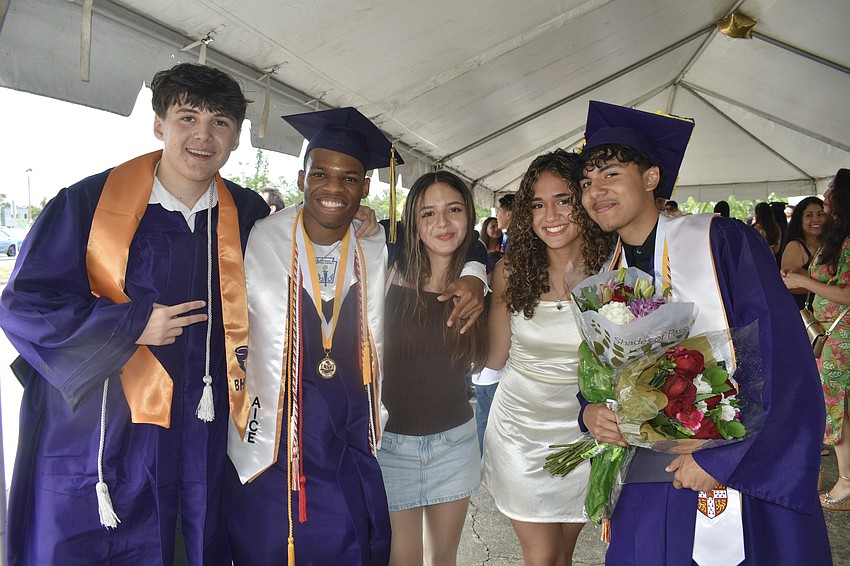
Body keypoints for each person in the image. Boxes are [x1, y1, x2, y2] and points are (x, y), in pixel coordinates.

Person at [0, 63, 271, 565]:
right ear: (159, 124)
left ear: (235, 138)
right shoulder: (86, 204)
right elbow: (25, 305)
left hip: (201, 427)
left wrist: (356, 224)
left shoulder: (249, 214)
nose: (202, 136)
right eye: (187, 117)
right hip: (105, 432)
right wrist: (128, 325)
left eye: (220, 124)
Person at [224, 107, 485, 566]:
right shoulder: (259, 238)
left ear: (365, 188)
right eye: (321, 174)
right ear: (302, 176)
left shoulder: (375, 246)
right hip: (279, 430)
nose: (332, 187)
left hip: (353, 433)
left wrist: (476, 272)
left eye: (349, 178)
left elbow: (453, 241)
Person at [575, 100, 831, 565]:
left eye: (610, 174)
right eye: (587, 182)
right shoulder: (604, 276)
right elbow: (596, 373)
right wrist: (590, 413)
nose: (595, 192)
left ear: (651, 177)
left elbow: (780, 358)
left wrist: (721, 462)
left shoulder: (721, 242)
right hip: (642, 478)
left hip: (732, 474)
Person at [480, 149, 615, 566]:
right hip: (520, 432)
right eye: (538, 204)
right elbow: (495, 357)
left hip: (586, 435)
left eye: (563, 200)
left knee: (563, 556)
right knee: (541, 558)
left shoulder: (614, 268)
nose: (550, 215)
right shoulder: (510, 272)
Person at [378, 171, 487, 566]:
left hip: (454, 442)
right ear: (413, 221)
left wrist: (477, 275)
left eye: (453, 210)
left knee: (444, 559)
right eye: (428, 213)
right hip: (390, 445)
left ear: (469, 215)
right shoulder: (387, 268)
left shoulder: (481, 282)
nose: (442, 223)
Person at [782, 169, 850, 512]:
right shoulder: (837, 240)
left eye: (830, 195)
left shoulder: (848, 242)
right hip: (833, 338)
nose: (824, 203)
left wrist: (806, 282)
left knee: (836, 411)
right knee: (841, 412)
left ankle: (847, 484)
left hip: (842, 341)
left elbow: (846, 292)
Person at [780, 196, 825, 310]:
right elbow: (788, 284)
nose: (816, 220)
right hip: (806, 316)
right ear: (800, 220)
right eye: (809, 215)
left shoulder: (832, 245)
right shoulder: (795, 247)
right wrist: (825, 288)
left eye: (820, 214)